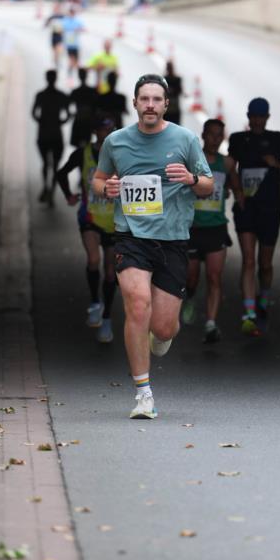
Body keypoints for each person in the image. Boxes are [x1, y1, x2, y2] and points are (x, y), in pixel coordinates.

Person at [92, 74, 213, 419]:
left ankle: (159, 338)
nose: (149, 105)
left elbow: (206, 185)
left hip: (173, 239)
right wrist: (107, 189)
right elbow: (99, 180)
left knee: (162, 328)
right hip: (131, 237)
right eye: (144, 99)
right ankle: (143, 394)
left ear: (165, 104)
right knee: (137, 304)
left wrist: (190, 179)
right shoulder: (116, 142)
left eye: (156, 100)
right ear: (134, 103)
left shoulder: (186, 140)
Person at [228, 97, 280, 336]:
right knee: (248, 261)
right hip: (246, 208)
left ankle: (264, 298)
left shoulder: (278, 140)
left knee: (265, 264)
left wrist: (277, 164)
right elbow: (229, 167)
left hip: (270, 209)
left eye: (261, 116)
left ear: (267, 117)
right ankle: (249, 313)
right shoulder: (239, 140)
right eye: (254, 116)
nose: (257, 120)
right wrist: (236, 189)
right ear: (248, 117)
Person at [57, 118, 118, 343]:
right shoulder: (83, 154)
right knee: (93, 260)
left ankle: (108, 317)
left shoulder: (121, 154)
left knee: (111, 272)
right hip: (89, 216)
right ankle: (94, 301)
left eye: (110, 129)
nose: (106, 133)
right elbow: (61, 173)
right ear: (95, 131)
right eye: (102, 129)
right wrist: (69, 196)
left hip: (114, 220)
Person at [182, 119, 242, 343]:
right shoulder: (191, 162)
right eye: (212, 135)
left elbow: (235, 186)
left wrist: (236, 198)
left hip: (216, 228)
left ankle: (210, 324)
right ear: (203, 136)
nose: (216, 139)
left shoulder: (226, 164)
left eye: (220, 135)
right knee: (191, 277)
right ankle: (189, 298)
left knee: (215, 277)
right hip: (192, 229)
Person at [31, 70, 71, 206]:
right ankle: (51, 192)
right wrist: (59, 122)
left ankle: (46, 187)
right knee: (54, 165)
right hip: (56, 134)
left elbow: (33, 113)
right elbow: (68, 114)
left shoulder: (41, 95)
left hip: (43, 133)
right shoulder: (61, 96)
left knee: (45, 163)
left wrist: (42, 121)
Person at [69, 68, 99, 148]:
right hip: (88, 121)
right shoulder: (92, 91)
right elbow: (97, 107)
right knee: (87, 144)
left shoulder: (75, 92)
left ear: (79, 76)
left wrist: (72, 114)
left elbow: (68, 106)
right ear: (86, 76)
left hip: (79, 120)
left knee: (79, 147)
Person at [61, 5, 85, 78]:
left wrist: (78, 30)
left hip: (76, 44)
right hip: (69, 45)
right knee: (71, 61)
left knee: (77, 62)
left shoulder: (77, 21)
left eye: (73, 12)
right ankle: (70, 76)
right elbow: (61, 29)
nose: (72, 14)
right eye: (71, 12)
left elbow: (83, 28)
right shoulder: (65, 20)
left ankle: (78, 76)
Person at [163, 60, 183, 125]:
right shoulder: (166, 79)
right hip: (170, 108)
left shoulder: (176, 79)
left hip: (172, 108)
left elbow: (179, 91)